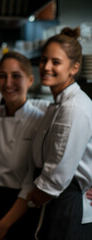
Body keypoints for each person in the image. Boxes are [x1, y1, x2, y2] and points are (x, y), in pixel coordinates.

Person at [28, 27, 92, 240]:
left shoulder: (73, 107)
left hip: (66, 201)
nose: (46, 67)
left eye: (56, 62)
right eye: (44, 60)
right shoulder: (57, 104)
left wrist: (32, 198)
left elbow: (58, 174)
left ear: (74, 68)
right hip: (56, 199)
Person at [0, 52, 44, 240]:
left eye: (16, 76)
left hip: (22, 209)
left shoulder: (40, 122)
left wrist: (4, 225)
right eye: (2, 76)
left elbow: (33, 180)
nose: (8, 82)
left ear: (30, 80)